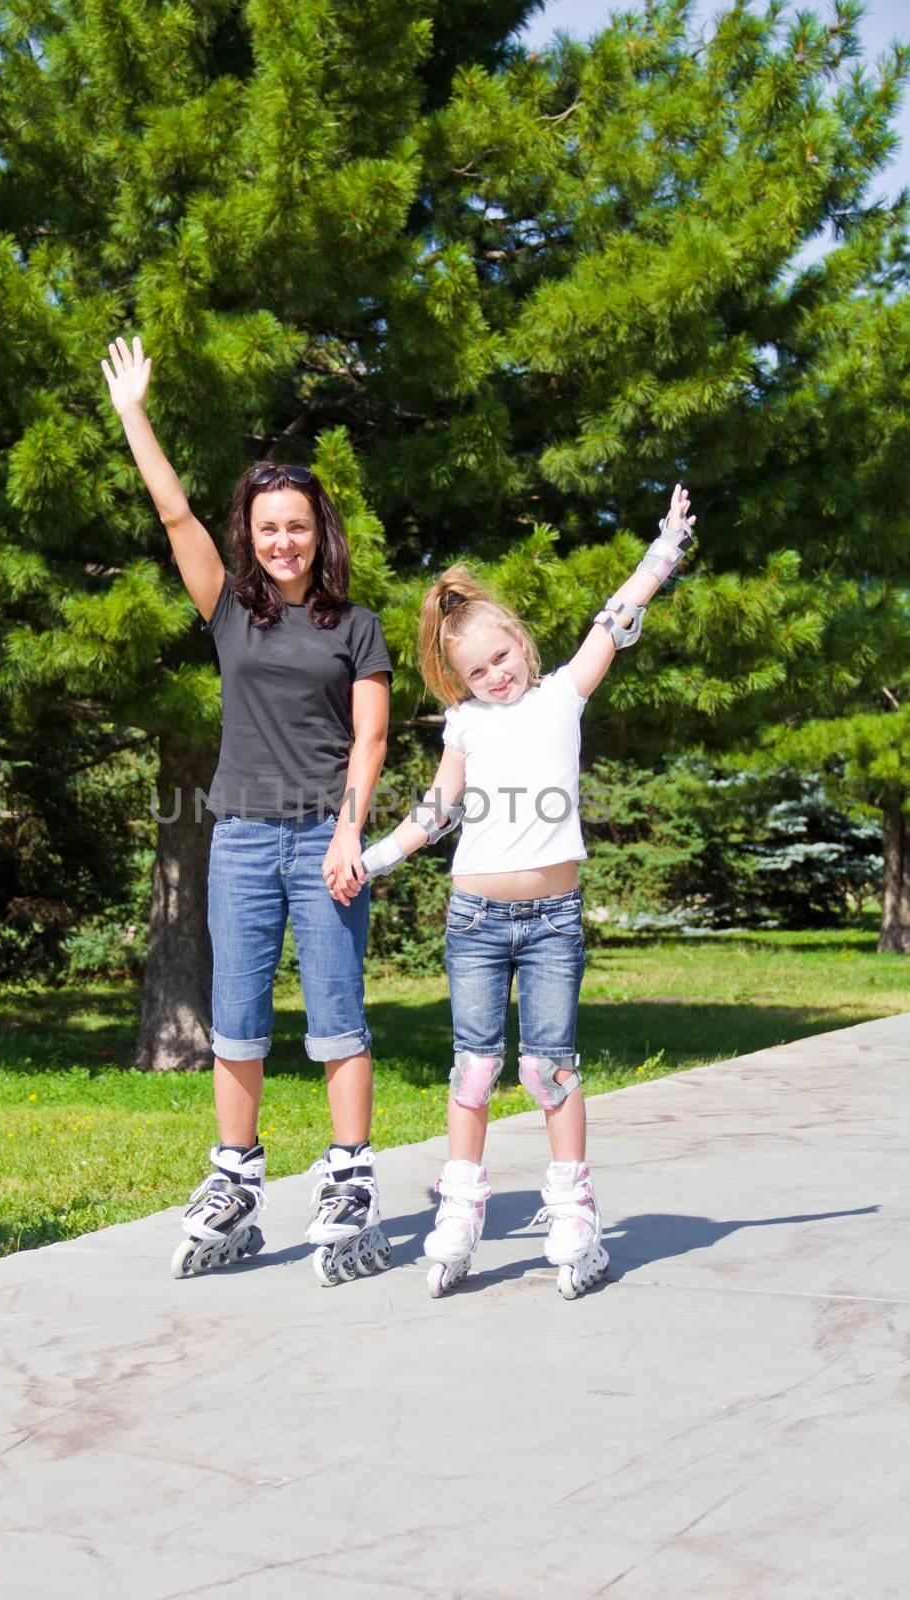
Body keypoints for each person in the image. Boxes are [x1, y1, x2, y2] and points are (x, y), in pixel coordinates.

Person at [101, 335, 393, 1286]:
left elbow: (372, 741)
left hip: (324, 840)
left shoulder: (355, 627)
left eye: (297, 527)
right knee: (235, 1020)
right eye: (268, 528)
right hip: (238, 842)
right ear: (251, 535)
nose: (282, 541)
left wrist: (351, 830)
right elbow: (173, 510)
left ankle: (349, 1179)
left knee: (338, 1019)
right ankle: (236, 1176)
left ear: (320, 532)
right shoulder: (232, 610)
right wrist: (133, 415)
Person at [357, 486, 697, 1298]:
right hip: (473, 919)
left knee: (549, 1068)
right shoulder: (465, 724)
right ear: (456, 678)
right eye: (476, 671)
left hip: (552, 922)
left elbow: (610, 620)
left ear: (521, 643)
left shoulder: (561, 695)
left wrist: (664, 551)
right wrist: (369, 861)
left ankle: (574, 1210)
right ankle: (461, 1211)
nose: (495, 676)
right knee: (472, 1071)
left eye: (502, 658)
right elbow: (436, 812)